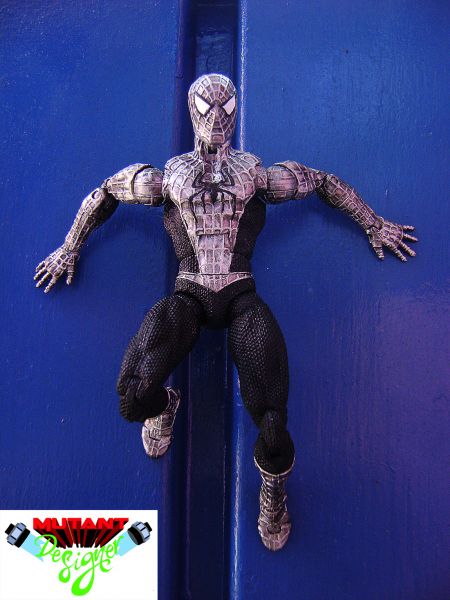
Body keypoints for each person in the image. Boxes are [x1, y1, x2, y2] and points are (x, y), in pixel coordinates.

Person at [35, 73, 417, 551]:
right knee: (132, 396)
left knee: (273, 420)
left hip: (240, 297)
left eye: (226, 108)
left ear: (236, 111)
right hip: (189, 297)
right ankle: (165, 406)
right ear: (191, 110)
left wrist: (373, 223)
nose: (217, 117)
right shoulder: (169, 177)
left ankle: (273, 488)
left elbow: (320, 181)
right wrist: (69, 247)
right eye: (207, 107)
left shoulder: (254, 174)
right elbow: (107, 192)